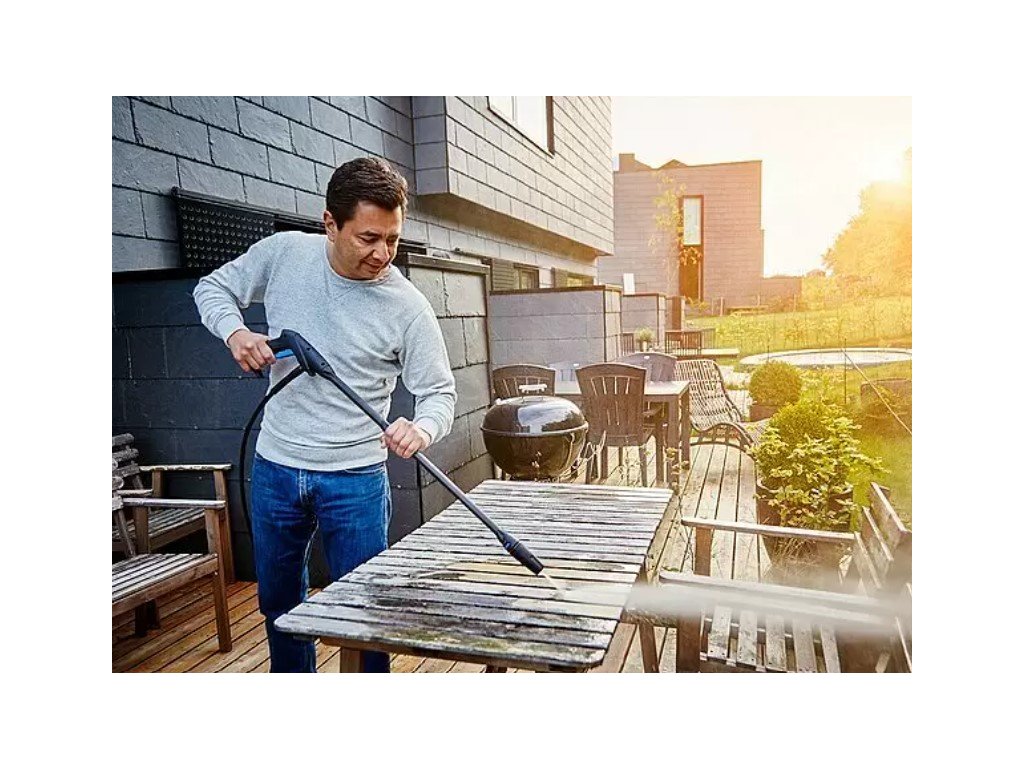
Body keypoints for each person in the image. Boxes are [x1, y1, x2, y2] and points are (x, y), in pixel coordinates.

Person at [193, 157, 456, 672]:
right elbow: (211, 288)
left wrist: (422, 427)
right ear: (330, 224)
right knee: (280, 606)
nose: (383, 254)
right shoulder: (284, 254)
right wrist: (235, 332)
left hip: (355, 478)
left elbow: (439, 394)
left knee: (365, 612)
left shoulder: (407, 306)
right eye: (368, 238)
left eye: (393, 239)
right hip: (275, 467)